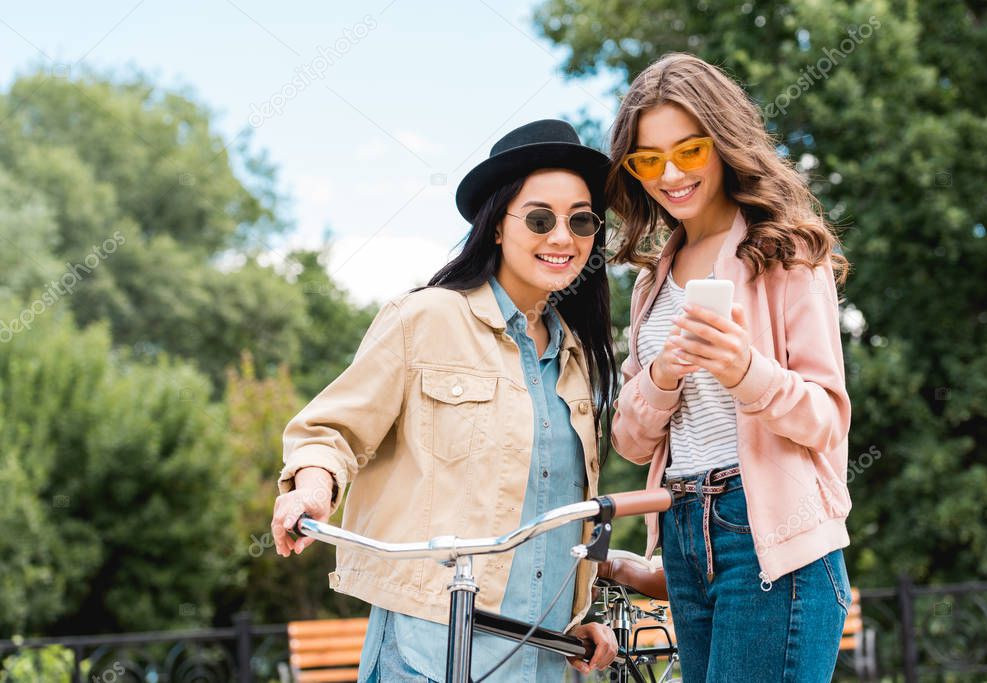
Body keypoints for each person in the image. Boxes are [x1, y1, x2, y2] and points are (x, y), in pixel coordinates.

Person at [270, 119, 619, 682]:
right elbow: (329, 433)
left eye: (581, 221)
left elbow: (552, 514)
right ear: (498, 226)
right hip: (433, 644)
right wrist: (310, 491)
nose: (563, 237)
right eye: (539, 218)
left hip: (546, 657)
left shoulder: (576, 357)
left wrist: (580, 617)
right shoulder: (425, 318)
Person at [607, 53, 854, 682]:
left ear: (723, 141)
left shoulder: (785, 249)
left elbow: (827, 419)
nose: (669, 174)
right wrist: (662, 377)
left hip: (769, 531)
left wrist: (746, 371)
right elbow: (631, 442)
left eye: (688, 151)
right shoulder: (650, 287)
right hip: (683, 528)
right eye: (648, 160)